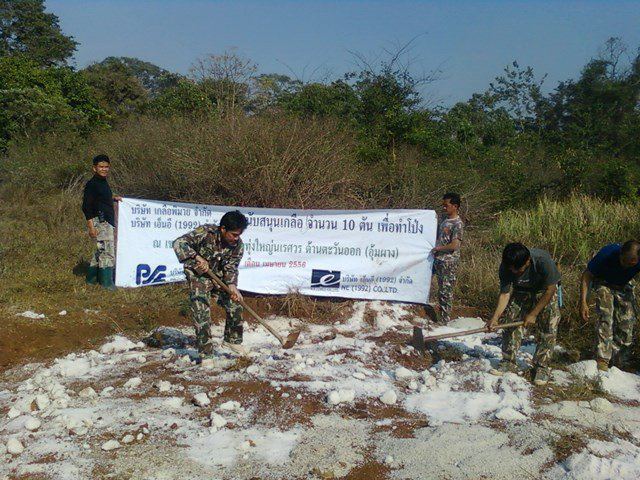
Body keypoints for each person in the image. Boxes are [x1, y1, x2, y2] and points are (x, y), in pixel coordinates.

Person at [173, 211, 249, 359]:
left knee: (236, 302)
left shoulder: (238, 245)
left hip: (218, 277)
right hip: (199, 276)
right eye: (234, 234)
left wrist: (232, 285)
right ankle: (206, 353)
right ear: (223, 229)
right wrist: (197, 257)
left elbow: (231, 267)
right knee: (201, 310)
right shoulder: (205, 233)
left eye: (239, 235)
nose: (236, 238)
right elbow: (178, 243)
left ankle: (232, 340)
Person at [486, 243, 561, 386]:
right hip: (521, 291)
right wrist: (495, 318)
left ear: (527, 262)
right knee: (510, 322)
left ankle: (542, 366)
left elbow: (550, 290)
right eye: (511, 269)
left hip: (544, 291)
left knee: (549, 327)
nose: (514, 272)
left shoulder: (542, 261)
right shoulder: (506, 266)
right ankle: (508, 361)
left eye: (518, 269)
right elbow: (505, 294)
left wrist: (533, 314)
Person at [580, 240, 640, 372]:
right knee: (606, 318)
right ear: (621, 253)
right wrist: (583, 302)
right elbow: (587, 275)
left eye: (631, 264)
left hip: (623, 284)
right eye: (624, 261)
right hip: (604, 283)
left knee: (627, 322)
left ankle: (619, 360)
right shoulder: (607, 254)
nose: (625, 266)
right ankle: (603, 359)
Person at [81, 154, 121, 290]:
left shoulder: (103, 182)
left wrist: (113, 198)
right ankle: (106, 283)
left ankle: (91, 279)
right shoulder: (92, 184)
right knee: (107, 251)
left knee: (100, 250)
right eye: (101, 167)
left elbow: (101, 199)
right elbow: (86, 207)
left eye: (106, 167)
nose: (104, 169)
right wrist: (91, 227)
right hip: (100, 221)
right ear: (94, 168)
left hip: (107, 221)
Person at [430, 192, 464, 324]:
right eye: (443, 205)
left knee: (445, 291)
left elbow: (455, 245)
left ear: (455, 206)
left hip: (448, 262)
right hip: (438, 260)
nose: (444, 208)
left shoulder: (457, 224)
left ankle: (444, 320)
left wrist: (438, 248)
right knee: (438, 289)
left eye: (446, 205)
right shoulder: (444, 220)